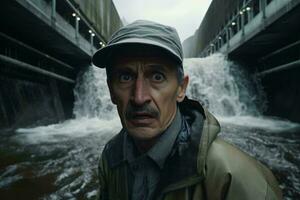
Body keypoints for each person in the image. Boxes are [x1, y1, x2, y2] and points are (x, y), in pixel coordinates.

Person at [92, 20, 282, 200]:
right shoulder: (111, 158)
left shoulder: (235, 178)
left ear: (181, 88)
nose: (139, 97)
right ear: (110, 89)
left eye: (157, 77)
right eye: (125, 77)